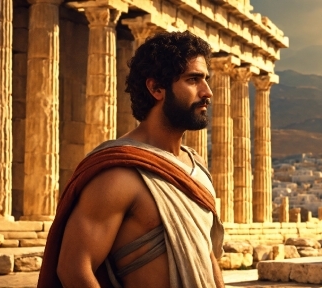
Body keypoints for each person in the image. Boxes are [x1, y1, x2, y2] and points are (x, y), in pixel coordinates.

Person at [38, 31, 224, 288]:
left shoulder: (197, 167)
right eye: (193, 80)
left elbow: (207, 256)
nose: (207, 92)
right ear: (156, 88)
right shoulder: (118, 174)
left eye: (206, 80)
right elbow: (73, 269)